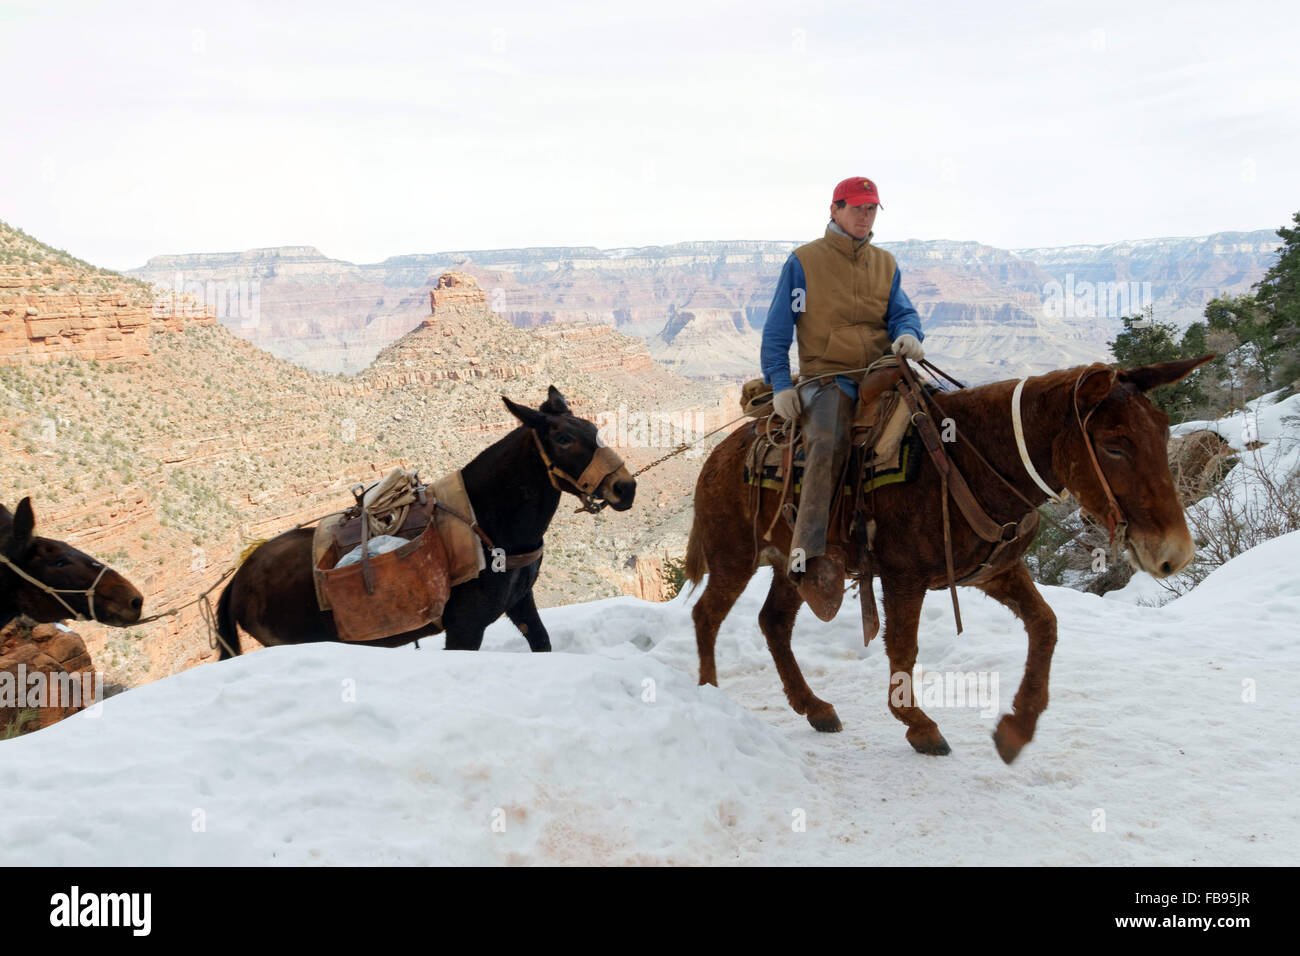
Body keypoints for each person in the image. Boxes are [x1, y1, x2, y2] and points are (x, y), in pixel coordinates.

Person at [759, 175, 924, 621]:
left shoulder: (886, 264)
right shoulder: (803, 263)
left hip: (883, 370)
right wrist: (780, 385)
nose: (864, 216)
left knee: (940, 421)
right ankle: (809, 555)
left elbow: (902, 312)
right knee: (828, 441)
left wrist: (908, 333)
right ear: (835, 209)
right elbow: (777, 330)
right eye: (857, 208)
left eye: (871, 209)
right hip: (829, 378)